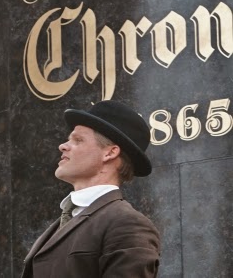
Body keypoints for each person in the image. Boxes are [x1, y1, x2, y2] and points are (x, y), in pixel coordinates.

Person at [22, 101, 161, 277]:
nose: (63, 146)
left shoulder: (128, 224)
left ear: (110, 153)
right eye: (69, 139)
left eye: (78, 140)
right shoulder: (65, 220)